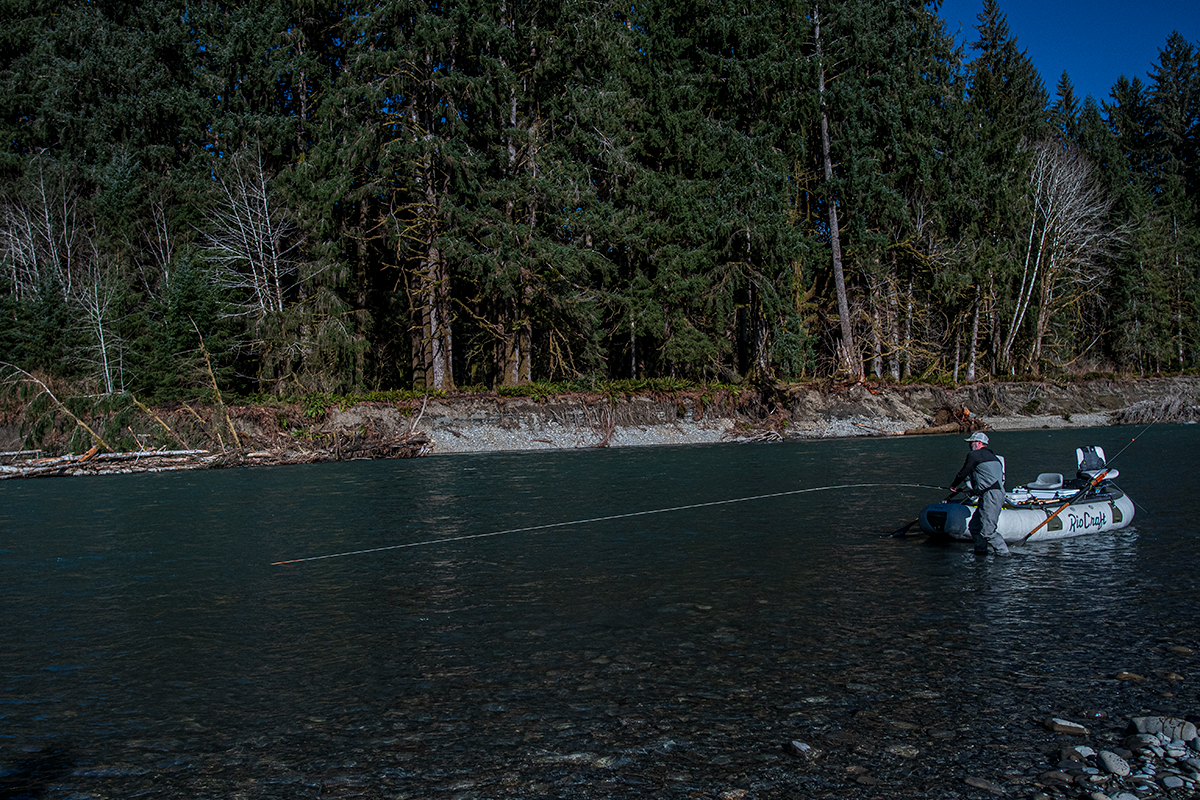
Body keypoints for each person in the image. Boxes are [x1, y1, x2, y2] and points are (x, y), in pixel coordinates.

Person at [950, 431, 1011, 556]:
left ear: (978, 443)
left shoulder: (975, 455)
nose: (969, 445)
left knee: (988, 531)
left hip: (991, 496)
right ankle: (981, 552)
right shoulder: (993, 457)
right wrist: (974, 491)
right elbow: (988, 480)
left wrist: (954, 485)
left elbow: (963, 472)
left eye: (971, 443)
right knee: (975, 527)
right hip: (992, 494)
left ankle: (1004, 555)